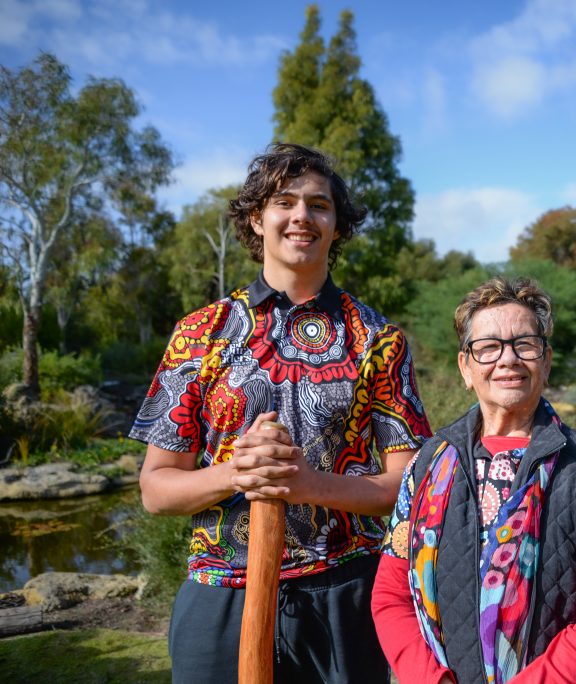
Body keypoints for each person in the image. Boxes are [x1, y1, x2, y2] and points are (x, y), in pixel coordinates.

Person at [130, 142, 431, 683]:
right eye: (284, 202)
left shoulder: (378, 340)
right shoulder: (199, 334)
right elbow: (156, 489)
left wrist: (306, 483)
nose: (301, 216)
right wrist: (236, 474)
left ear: (337, 225)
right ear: (256, 218)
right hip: (220, 595)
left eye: (319, 205)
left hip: (345, 594)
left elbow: (405, 486)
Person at [371, 276, 576, 684]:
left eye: (525, 345)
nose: (508, 359)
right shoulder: (427, 464)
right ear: (466, 367)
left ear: (546, 362)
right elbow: (391, 598)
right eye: (489, 347)